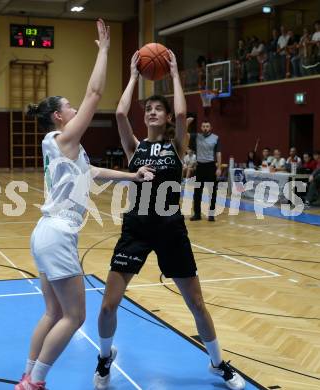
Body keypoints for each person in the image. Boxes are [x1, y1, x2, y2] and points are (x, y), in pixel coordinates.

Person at [93, 50, 245, 390]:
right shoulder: (135, 148)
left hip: (171, 229)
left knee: (196, 304)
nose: (151, 111)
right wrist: (133, 75)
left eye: (156, 108)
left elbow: (181, 112)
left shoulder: (177, 145)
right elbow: (119, 112)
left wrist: (175, 72)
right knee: (107, 306)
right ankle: (104, 358)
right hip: (136, 228)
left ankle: (218, 364)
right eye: (148, 108)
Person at [14, 20, 154, 390]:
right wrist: (105, 51)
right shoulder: (63, 139)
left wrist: (132, 176)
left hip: (46, 234)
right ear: (59, 116)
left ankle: (27, 374)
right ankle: (36, 382)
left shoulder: (64, 147)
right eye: (70, 107)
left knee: (53, 312)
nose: (77, 109)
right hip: (57, 234)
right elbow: (94, 94)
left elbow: (91, 172)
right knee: (74, 316)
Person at [190, 120, 221, 222]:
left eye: (207, 126)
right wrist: (186, 123)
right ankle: (197, 214)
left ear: (210, 128)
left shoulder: (216, 138)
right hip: (200, 167)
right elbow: (184, 135)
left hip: (211, 166)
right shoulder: (196, 137)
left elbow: (218, 153)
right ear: (201, 128)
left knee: (212, 192)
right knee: (197, 191)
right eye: (203, 126)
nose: (205, 128)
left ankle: (211, 215)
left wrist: (219, 168)